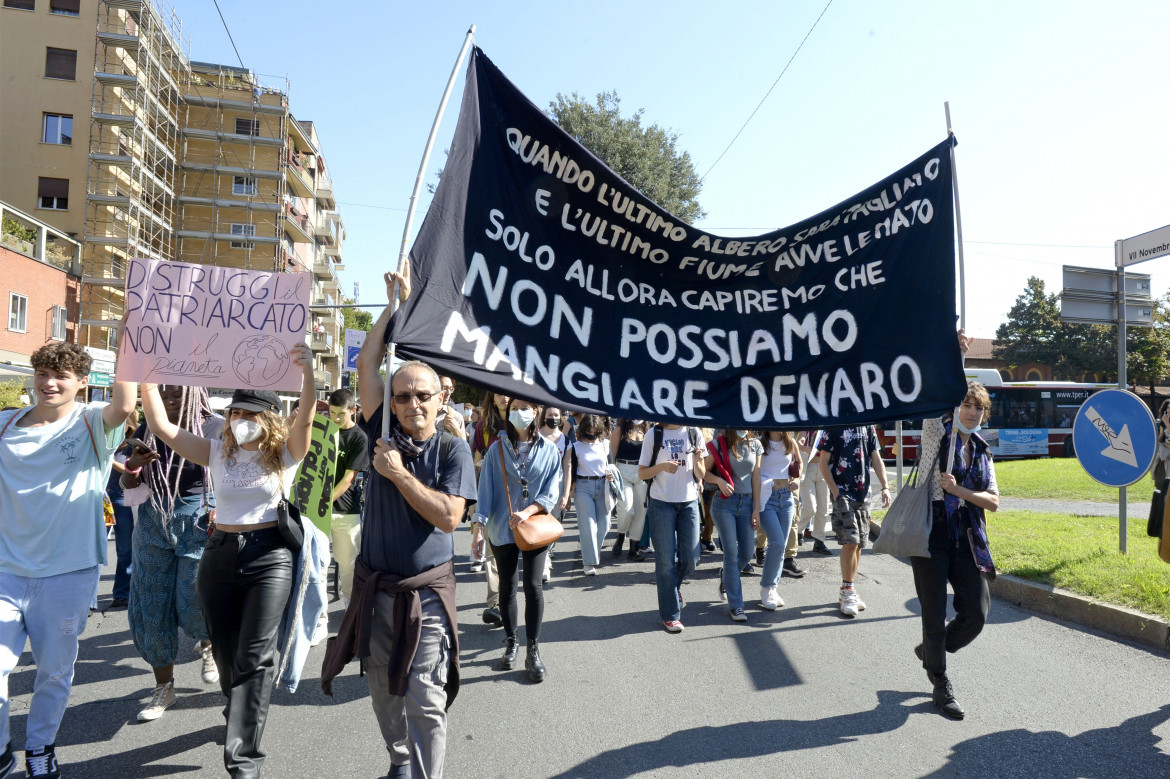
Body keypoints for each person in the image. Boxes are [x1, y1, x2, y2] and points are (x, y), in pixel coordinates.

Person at [321, 267, 476, 779]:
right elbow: (367, 360)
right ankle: (399, 758)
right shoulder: (379, 428)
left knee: (425, 696)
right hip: (377, 589)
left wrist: (399, 475)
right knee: (385, 692)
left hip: (426, 595)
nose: (411, 404)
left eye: (421, 396)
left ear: (441, 400)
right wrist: (393, 304)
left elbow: (450, 516)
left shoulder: (453, 450)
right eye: (402, 395)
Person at [139, 343, 317, 778]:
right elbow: (161, 426)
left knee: (255, 656)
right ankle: (236, 707)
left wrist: (308, 374)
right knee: (225, 651)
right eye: (237, 413)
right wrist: (141, 368)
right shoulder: (217, 450)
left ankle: (243, 763)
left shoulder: (285, 454)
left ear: (271, 419)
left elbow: (308, 415)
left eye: (252, 414)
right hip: (218, 555)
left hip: (270, 556)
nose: (242, 420)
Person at [0, 340, 136, 778]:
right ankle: (2, 750)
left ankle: (40, 750)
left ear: (81, 383)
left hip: (67, 576)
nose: (49, 383)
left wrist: (130, 335)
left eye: (61, 376)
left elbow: (125, 401)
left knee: (54, 673)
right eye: (42, 373)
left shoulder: (94, 425)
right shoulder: (3, 426)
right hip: (5, 571)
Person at [121, 385, 223, 723]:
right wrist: (134, 465)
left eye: (177, 393)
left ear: (197, 392)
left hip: (198, 522)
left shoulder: (215, 427)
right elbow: (128, 485)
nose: (169, 400)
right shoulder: (147, 428)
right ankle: (164, 687)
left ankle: (208, 644)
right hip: (153, 522)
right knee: (150, 605)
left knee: (195, 599)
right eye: (162, 394)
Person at [911, 334, 999, 720]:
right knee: (932, 613)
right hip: (931, 531)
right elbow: (944, 395)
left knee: (977, 613)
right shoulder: (937, 434)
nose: (970, 412)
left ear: (984, 414)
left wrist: (960, 489)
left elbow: (993, 501)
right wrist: (957, 356)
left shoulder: (983, 450)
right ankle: (940, 684)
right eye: (965, 405)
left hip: (967, 534)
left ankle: (933, 649)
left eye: (977, 408)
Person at [472, 397, 562, 682]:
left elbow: (552, 489)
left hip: (534, 527)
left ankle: (533, 650)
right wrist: (478, 528)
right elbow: (484, 491)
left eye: (525, 408)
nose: (519, 413)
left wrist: (529, 510)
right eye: (514, 409)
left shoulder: (549, 450)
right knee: (507, 587)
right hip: (501, 527)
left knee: (533, 586)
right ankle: (511, 642)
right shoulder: (496, 449)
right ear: (507, 413)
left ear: (535, 412)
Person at [818, 424, 891, 618]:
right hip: (843, 494)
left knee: (859, 544)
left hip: (863, 494)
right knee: (851, 541)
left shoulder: (868, 425)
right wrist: (835, 492)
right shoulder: (833, 425)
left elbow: (876, 456)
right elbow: (823, 462)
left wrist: (885, 487)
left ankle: (848, 590)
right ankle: (848, 589)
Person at [639, 423, 705, 633]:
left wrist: (697, 459)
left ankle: (672, 588)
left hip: (689, 502)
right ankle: (671, 615)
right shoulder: (654, 434)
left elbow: (701, 473)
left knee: (692, 558)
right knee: (665, 561)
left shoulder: (694, 432)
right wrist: (661, 467)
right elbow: (642, 473)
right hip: (661, 503)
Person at [704, 430, 762, 622]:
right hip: (724, 504)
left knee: (746, 554)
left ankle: (726, 576)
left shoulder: (756, 444)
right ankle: (736, 606)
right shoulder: (719, 443)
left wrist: (756, 509)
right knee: (730, 552)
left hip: (747, 504)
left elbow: (756, 477)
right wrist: (719, 480)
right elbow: (702, 471)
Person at [327, 388, 370, 607]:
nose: (335, 418)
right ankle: (317, 619)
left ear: (353, 410)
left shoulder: (359, 437)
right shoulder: (323, 430)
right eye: (331, 412)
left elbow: (348, 478)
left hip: (345, 510)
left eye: (340, 413)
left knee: (349, 565)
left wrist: (324, 503)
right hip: (317, 509)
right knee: (316, 564)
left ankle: (351, 607)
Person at [471, 391, 509, 622]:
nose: (504, 397)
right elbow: (476, 462)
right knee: (493, 554)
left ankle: (510, 603)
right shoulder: (484, 426)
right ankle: (496, 604)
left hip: (521, 502)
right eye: (499, 393)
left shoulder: (527, 424)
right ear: (492, 398)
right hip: (492, 497)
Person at [756, 430, 801, 610]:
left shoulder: (790, 442)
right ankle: (767, 588)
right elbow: (754, 471)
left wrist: (797, 480)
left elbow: (799, 463)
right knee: (777, 543)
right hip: (767, 498)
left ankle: (772, 588)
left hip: (787, 498)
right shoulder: (760, 443)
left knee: (780, 547)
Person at [569, 415, 614, 576]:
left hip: (603, 486)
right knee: (588, 525)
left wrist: (612, 475)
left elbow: (612, 466)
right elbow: (571, 472)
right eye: (589, 431)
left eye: (596, 431)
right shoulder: (576, 447)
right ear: (583, 430)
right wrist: (568, 494)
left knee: (605, 524)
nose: (592, 434)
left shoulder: (606, 445)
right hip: (583, 487)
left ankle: (592, 551)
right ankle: (589, 562)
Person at [105, 413, 140, 609]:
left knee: (125, 549)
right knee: (93, 549)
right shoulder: (103, 440)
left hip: (122, 497)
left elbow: (133, 470)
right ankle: (89, 600)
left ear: (128, 426)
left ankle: (122, 594)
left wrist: (109, 460)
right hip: (101, 497)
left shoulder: (133, 445)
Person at [538, 407, 572, 581]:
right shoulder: (535, 435)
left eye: (556, 415)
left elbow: (567, 468)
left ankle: (548, 552)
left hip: (557, 485)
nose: (553, 418)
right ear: (544, 417)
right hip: (538, 484)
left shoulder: (565, 441)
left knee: (553, 522)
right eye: (550, 415)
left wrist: (566, 494)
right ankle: (543, 563)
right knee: (540, 521)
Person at [610, 419, 650, 561]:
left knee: (641, 512)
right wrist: (611, 472)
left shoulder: (647, 429)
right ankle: (621, 535)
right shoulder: (620, 429)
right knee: (626, 509)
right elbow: (611, 454)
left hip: (642, 472)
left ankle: (633, 548)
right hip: (623, 470)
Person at [797, 429, 833, 556]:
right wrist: (804, 447)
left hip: (824, 469)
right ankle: (798, 530)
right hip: (808, 469)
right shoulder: (808, 427)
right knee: (809, 508)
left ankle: (819, 540)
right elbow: (798, 442)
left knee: (823, 508)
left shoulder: (828, 428)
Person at [1154, 400, 1170, 488]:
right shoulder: (1163, 421)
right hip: (1164, 456)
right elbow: (1161, 438)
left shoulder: (1166, 422)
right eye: (1168, 407)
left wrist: (1167, 423)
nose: (1169, 410)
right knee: (1162, 485)